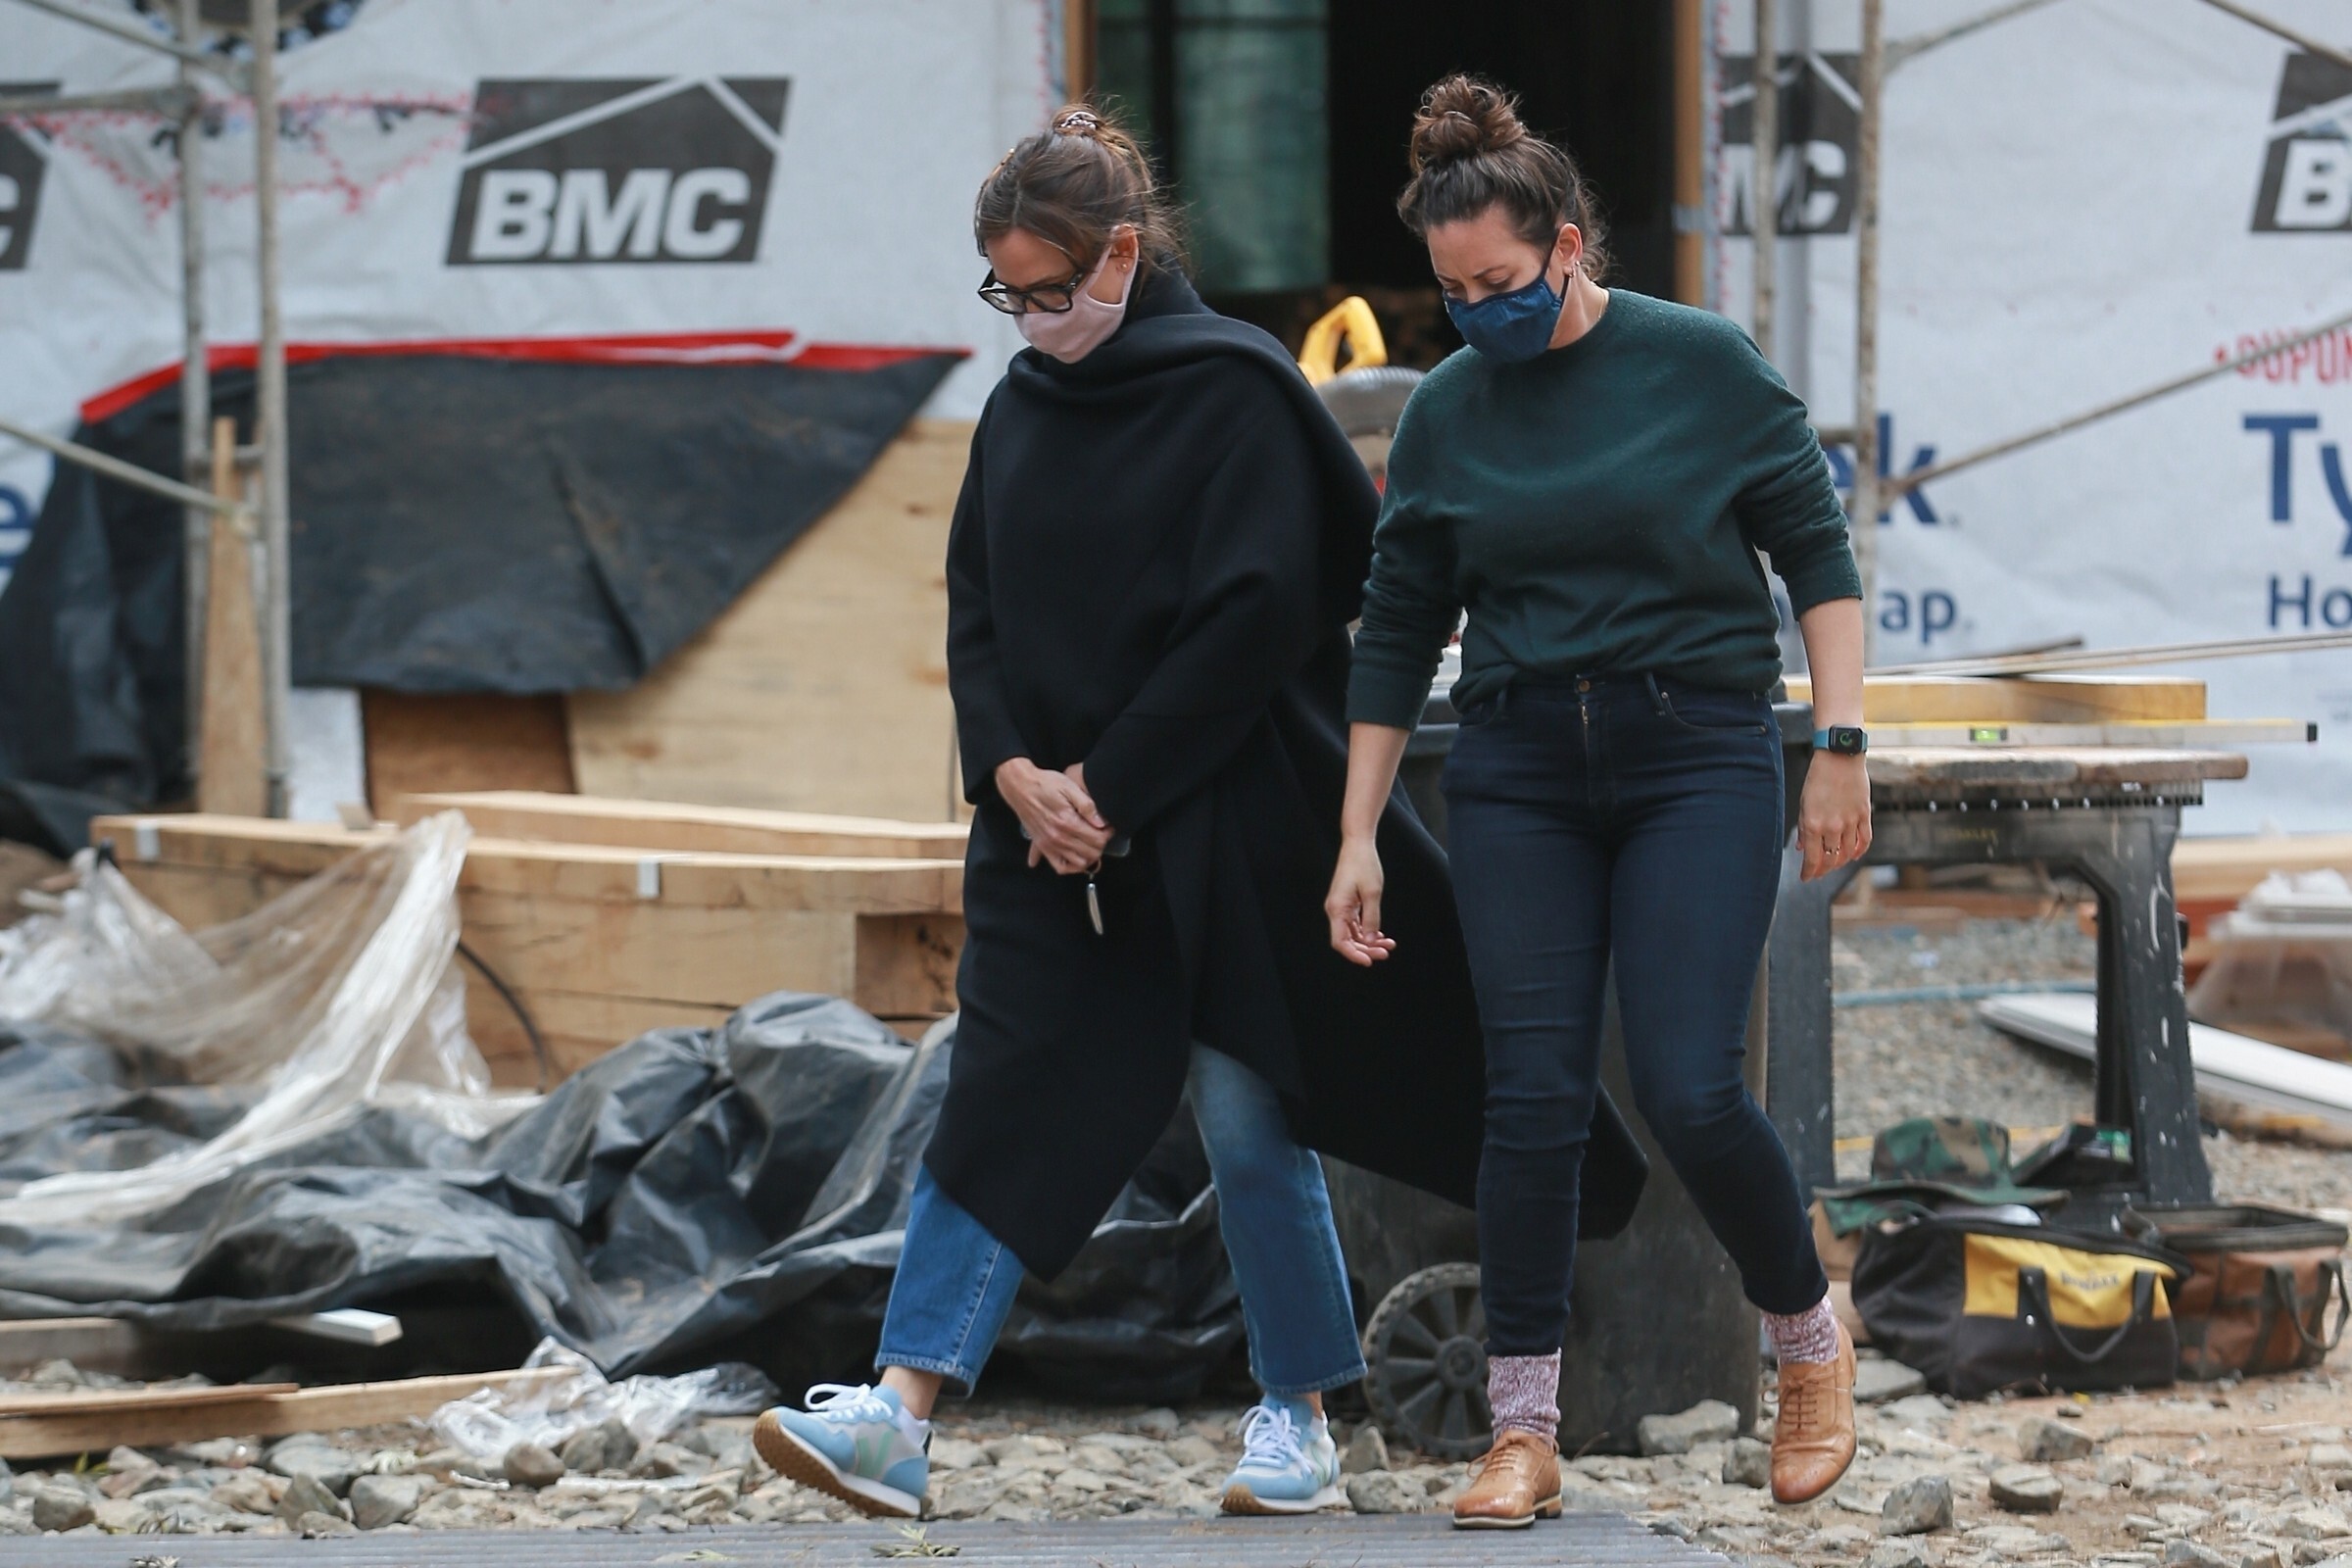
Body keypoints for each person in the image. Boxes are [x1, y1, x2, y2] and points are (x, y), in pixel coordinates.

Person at [753, 102, 1649, 1523]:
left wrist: (1111, 789)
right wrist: (1010, 770)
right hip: (1045, 839)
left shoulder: (1235, 390)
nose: (1033, 319)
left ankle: (1297, 1417)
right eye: (1008, 295)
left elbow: (1250, 620)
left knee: (1247, 1114)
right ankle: (899, 1416)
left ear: (1124, 253)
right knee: (1001, 1098)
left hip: (1218, 825)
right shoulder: (1021, 407)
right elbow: (975, 608)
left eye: (1053, 289)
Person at [1324, 76, 1875, 1529]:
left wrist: (1839, 741)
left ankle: (1807, 1335)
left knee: (1690, 1083)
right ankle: (1522, 1429)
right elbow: (1396, 628)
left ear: (1567, 246)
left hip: (1698, 750)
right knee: (1532, 1099)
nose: (1477, 314)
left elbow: (1817, 556)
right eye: (1453, 295)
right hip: (1519, 767)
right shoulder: (1447, 412)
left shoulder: (1701, 365)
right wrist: (1359, 832)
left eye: (1499, 283)